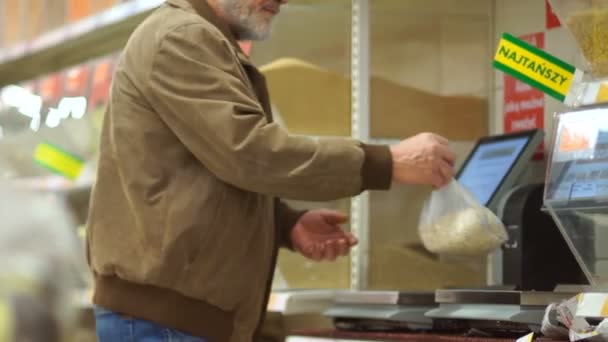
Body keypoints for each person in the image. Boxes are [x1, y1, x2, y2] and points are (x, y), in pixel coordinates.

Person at [86, 0, 456, 341]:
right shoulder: (182, 37)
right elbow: (249, 153)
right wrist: (387, 163)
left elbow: (204, 172)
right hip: (165, 323)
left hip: (172, 319)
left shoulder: (199, 37)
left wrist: (282, 223)